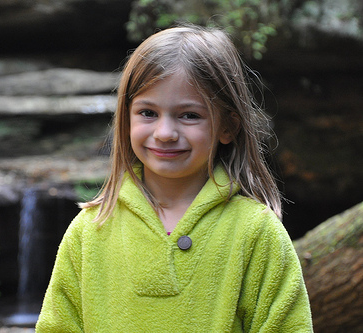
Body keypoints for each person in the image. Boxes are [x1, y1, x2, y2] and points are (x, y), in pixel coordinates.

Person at [35, 24, 313, 332]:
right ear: (126, 118)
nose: (165, 133)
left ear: (228, 127)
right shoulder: (90, 230)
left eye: (189, 115)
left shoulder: (257, 232)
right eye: (148, 113)